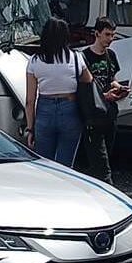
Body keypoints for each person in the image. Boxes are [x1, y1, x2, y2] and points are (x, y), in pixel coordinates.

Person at [24, 18, 93, 166]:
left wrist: (30, 129)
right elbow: (88, 80)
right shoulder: (75, 58)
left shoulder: (34, 61)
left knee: (44, 165)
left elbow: (30, 101)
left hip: (44, 110)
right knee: (66, 165)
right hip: (70, 110)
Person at [80, 17, 129, 185]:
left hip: (110, 113)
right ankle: (106, 190)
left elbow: (112, 79)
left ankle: (94, 186)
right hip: (93, 115)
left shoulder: (111, 55)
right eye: (107, 35)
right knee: (101, 162)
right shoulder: (84, 56)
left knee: (105, 155)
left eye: (113, 35)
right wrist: (104, 95)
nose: (110, 39)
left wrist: (120, 88)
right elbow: (84, 88)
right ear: (97, 34)